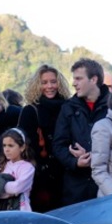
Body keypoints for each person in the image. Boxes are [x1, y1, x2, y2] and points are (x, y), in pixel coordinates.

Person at [52, 58, 110, 205]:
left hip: (106, 187)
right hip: (75, 189)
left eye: (79, 78)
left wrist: (94, 156)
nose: (74, 83)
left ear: (94, 79)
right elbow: (58, 146)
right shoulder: (68, 108)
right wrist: (75, 162)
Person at [17, 64, 71, 212]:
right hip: (41, 178)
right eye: (44, 82)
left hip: (67, 174)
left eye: (53, 81)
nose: (50, 86)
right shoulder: (30, 111)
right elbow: (23, 146)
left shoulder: (69, 108)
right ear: (37, 85)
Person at [0, 128, 35, 211]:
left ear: (22, 147)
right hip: (0, 211)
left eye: (11, 146)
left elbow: (16, 187)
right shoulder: (0, 166)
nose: (6, 149)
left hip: (21, 211)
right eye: (4, 145)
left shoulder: (28, 168)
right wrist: (10, 192)